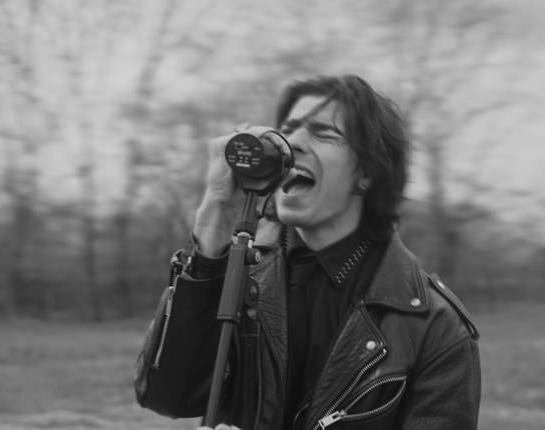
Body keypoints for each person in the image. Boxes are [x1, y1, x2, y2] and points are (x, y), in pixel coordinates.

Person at [134, 75, 481, 430]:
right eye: (288, 129)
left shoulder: (434, 326)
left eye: (323, 133)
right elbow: (168, 396)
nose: (293, 142)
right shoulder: (240, 271)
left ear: (367, 173)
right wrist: (213, 228)